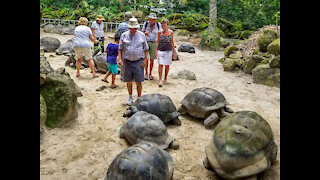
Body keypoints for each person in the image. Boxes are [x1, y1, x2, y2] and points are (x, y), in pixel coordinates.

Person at [118, 18, 149, 105]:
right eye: (132, 28)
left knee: (139, 81)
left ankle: (139, 97)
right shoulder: (124, 35)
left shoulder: (142, 35)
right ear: (129, 27)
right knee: (128, 81)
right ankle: (130, 96)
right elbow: (120, 49)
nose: (134, 29)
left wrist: (145, 60)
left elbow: (146, 49)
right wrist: (120, 59)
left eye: (135, 28)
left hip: (138, 60)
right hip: (127, 61)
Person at [155, 18, 177, 87]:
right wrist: (155, 52)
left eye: (164, 25)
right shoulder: (159, 32)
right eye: (162, 25)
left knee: (167, 65)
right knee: (160, 64)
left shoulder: (171, 32)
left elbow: (172, 42)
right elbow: (157, 42)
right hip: (161, 50)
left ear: (167, 25)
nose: (163, 27)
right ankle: (160, 79)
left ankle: (165, 78)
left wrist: (174, 52)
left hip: (168, 50)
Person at [142, 13, 162, 80]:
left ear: (155, 19)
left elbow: (161, 33)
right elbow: (142, 33)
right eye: (150, 19)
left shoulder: (158, 25)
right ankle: (146, 73)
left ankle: (150, 73)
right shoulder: (146, 24)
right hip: (146, 42)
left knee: (152, 59)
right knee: (146, 59)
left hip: (154, 43)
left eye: (152, 19)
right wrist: (145, 33)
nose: (151, 20)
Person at [115, 11, 133, 82]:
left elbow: (117, 33)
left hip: (123, 44)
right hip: (132, 45)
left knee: (123, 60)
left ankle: (123, 76)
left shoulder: (121, 25)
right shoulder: (135, 25)